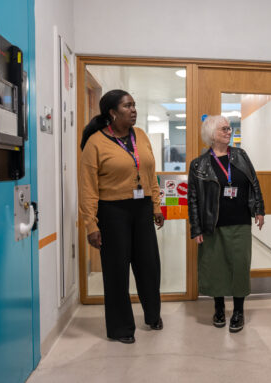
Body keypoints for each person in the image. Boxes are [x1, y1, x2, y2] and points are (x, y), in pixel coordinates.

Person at [79, 89, 165, 344]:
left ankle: (153, 315)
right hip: (112, 212)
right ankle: (120, 328)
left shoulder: (140, 136)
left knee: (149, 266)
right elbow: (88, 188)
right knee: (116, 271)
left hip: (142, 208)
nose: (133, 110)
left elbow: (151, 174)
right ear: (112, 113)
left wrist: (156, 206)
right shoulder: (95, 142)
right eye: (127, 106)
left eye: (134, 105)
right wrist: (91, 225)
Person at [188, 115, 265, 333]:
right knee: (216, 267)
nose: (229, 132)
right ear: (212, 134)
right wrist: (196, 228)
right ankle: (219, 307)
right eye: (224, 129)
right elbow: (192, 199)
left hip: (240, 221)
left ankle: (239, 311)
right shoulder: (199, 164)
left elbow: (254, 183)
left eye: (229, 128)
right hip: (212, 224)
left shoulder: (240, 155)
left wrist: (259, 209)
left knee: (240, 265)